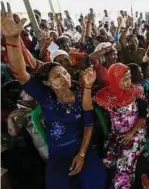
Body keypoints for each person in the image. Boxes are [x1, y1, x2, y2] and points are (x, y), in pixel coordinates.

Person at [1, 3, 106, 188]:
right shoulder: (46, 97)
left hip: (84, 149)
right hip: (59, 156)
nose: (64, 77)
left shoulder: (81, 94)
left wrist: (81, 154)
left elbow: (89, 123)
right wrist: (12, 39)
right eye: (57, 76)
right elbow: (19, 72)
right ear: (47, 83)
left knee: (94, 182)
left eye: (65, 72)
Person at [94, 63, 148, 189]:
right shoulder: (106, 95)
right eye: (124, 79)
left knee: (124, 161)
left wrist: (131, 133)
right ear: (114, 80)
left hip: (136, 132)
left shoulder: (137, 92)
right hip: (117, 134)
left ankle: (123, 185)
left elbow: (143, 116)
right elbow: (88, 105)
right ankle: (137, 177)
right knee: (108, 161)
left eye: (129, 78)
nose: (128, 82)